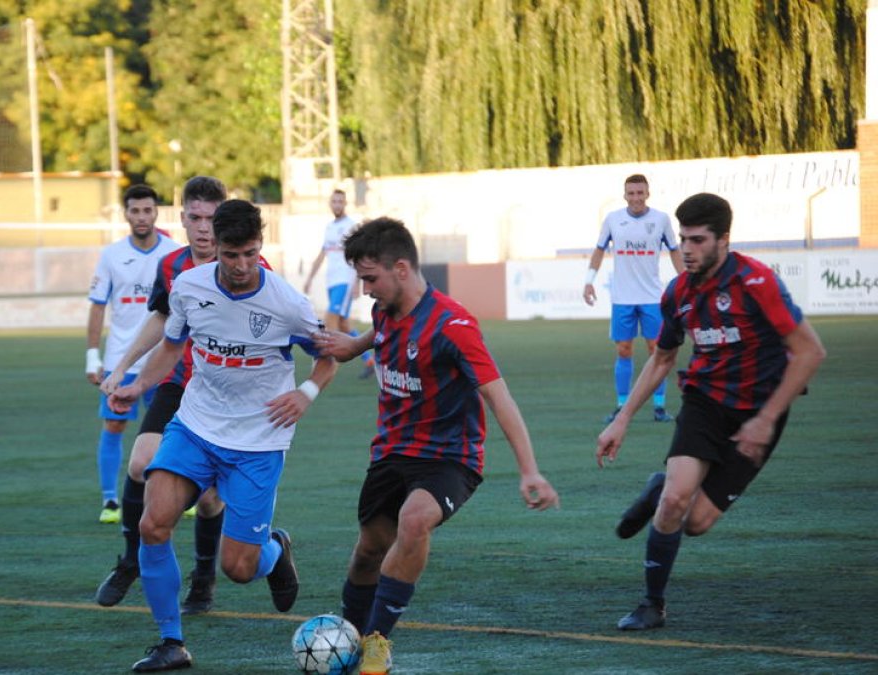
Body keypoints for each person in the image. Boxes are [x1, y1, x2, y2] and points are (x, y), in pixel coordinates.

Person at [313, 217, 559, 675]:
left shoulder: (453, 326)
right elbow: (381, 334)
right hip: (391, 451)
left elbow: (499, 396)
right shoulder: (384, 310)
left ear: (401, 268)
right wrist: (354, 346)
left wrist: (529, 469)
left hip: (449, 457)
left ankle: (377, 643)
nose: (365, 290)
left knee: (414, 520)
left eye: (371, 278)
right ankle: (350, 637)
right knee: (369, 551)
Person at [111, 199, 338, 672]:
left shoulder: (287, 303)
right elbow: (172, 346)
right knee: (154, 524)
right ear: (215, 246)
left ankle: (274, 551)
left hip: (258, 442)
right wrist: (138, 385)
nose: (240, 265)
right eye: (231, 255)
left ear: (261, 246)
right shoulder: (188, 287)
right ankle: (171, 642)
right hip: (196, 426)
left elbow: (327, 357)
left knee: (238, 568)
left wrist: (307, 392)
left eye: (250, 254)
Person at [596, 192, 826, 631]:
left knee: (697, 522)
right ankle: (652, 605)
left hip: (759, 412)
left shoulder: (757, 283)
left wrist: (765, 420)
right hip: (704, 402)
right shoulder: (678, 292)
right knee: (675, 503)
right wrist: (621, 420)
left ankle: (660, 487)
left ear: (724, 240)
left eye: (698, 240)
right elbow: (663, 358)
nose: (686, 249)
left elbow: (811, 352)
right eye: (683, 239)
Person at [94, 176, 231, 614]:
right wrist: (123, 369)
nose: (204, 228)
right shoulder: (171, 265)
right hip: (178, 383)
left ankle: (204, 579)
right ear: (182, 218)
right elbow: (160, 318)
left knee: (208, 498)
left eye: (211, 219)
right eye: (195, 217)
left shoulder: (243, 264)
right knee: (139, 464)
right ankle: (131, 560)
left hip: (222, 393)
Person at [85, 184, 181, 523]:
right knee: (114, 425)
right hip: (120, 361)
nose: (141, 217)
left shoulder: (174, 254)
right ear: (125, 214)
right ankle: (111, 501)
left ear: (156, 213)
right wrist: (92, 357)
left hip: (165, 360)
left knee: (171, 430)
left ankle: (180, 496)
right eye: (135, 210)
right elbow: (97, 307)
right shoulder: (111, 255)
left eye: (147, 210)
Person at [583, 174, 683, 423]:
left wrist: (686, 281)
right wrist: (589, 280)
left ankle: (659, 406)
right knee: (623, 349)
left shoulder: (661, 219)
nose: (636, 198)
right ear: (625, 195)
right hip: (622, 297)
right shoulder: (613, 219)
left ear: (647, 194)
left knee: (657, 350)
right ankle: (622, 404)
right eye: (631, 193)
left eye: (640, 193)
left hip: (652, 297)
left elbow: (674, 250)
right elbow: (599, 250)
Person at [303, 188, 374, 377]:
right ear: (330, 203)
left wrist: (357, 282)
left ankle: (325, 367)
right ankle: (369, 360)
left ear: (345, 204)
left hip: (345, 280)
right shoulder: (329, 228)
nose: (337, 205)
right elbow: (322, 254)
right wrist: (309, 278)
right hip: (331, 281)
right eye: (334, 201)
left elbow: (359, 254)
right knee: (343, 325)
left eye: (340, 201)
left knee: (330, 319)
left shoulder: (350, 226)